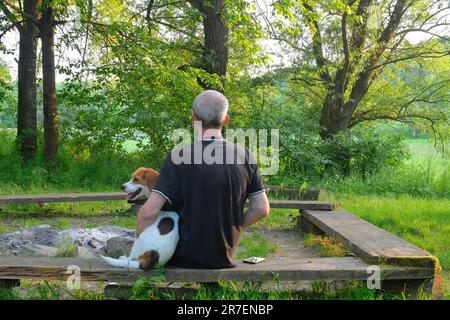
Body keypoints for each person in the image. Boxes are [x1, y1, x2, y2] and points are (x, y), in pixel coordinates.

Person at [136, 90, 270, 268]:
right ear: (226, 120)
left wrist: (139, 246)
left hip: (181, 259)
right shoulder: (245, 156)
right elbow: (261, 209)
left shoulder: (179, 156)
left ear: (193, 118)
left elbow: (148, 213)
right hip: (224, 258)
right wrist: (233, 226)